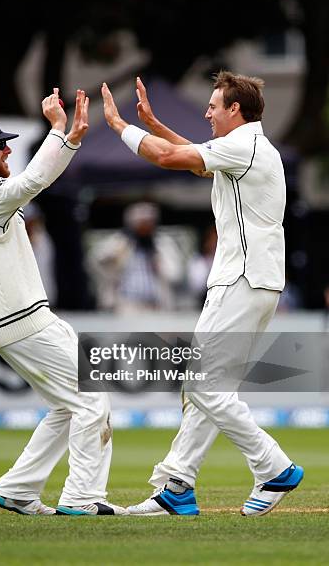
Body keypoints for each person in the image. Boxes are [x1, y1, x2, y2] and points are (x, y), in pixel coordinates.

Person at [101, 72, 304, 516]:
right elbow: (194, 158)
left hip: (242, 280)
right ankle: (178, 486)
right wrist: (153, 123)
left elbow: (172, 158)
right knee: (207, 388)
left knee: (202, 384)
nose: (207, 113)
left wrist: (119, 126)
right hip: (247, 281)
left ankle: (275, 467)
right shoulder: (243, 148)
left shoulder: (245, 146)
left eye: (214, 106)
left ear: (236, 110)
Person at [0, 89, 126, 516]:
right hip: (23, 321)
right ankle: (83, 497)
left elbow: (31, 182)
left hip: (23, 319)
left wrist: (69, 139)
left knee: (67, 407)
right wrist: (59, 132)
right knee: (90, 399)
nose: (7, 150)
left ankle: (17, 490)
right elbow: (33, 182)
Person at [89, 201, 184, 312]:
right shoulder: (119, 242)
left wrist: (159, 262)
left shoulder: (162, 244)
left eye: (148, 223)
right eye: (141, 223)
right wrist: (119, 249)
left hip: (156, 306)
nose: (144, 228)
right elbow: (95, 260)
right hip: (126, 305)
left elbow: (176, 275)